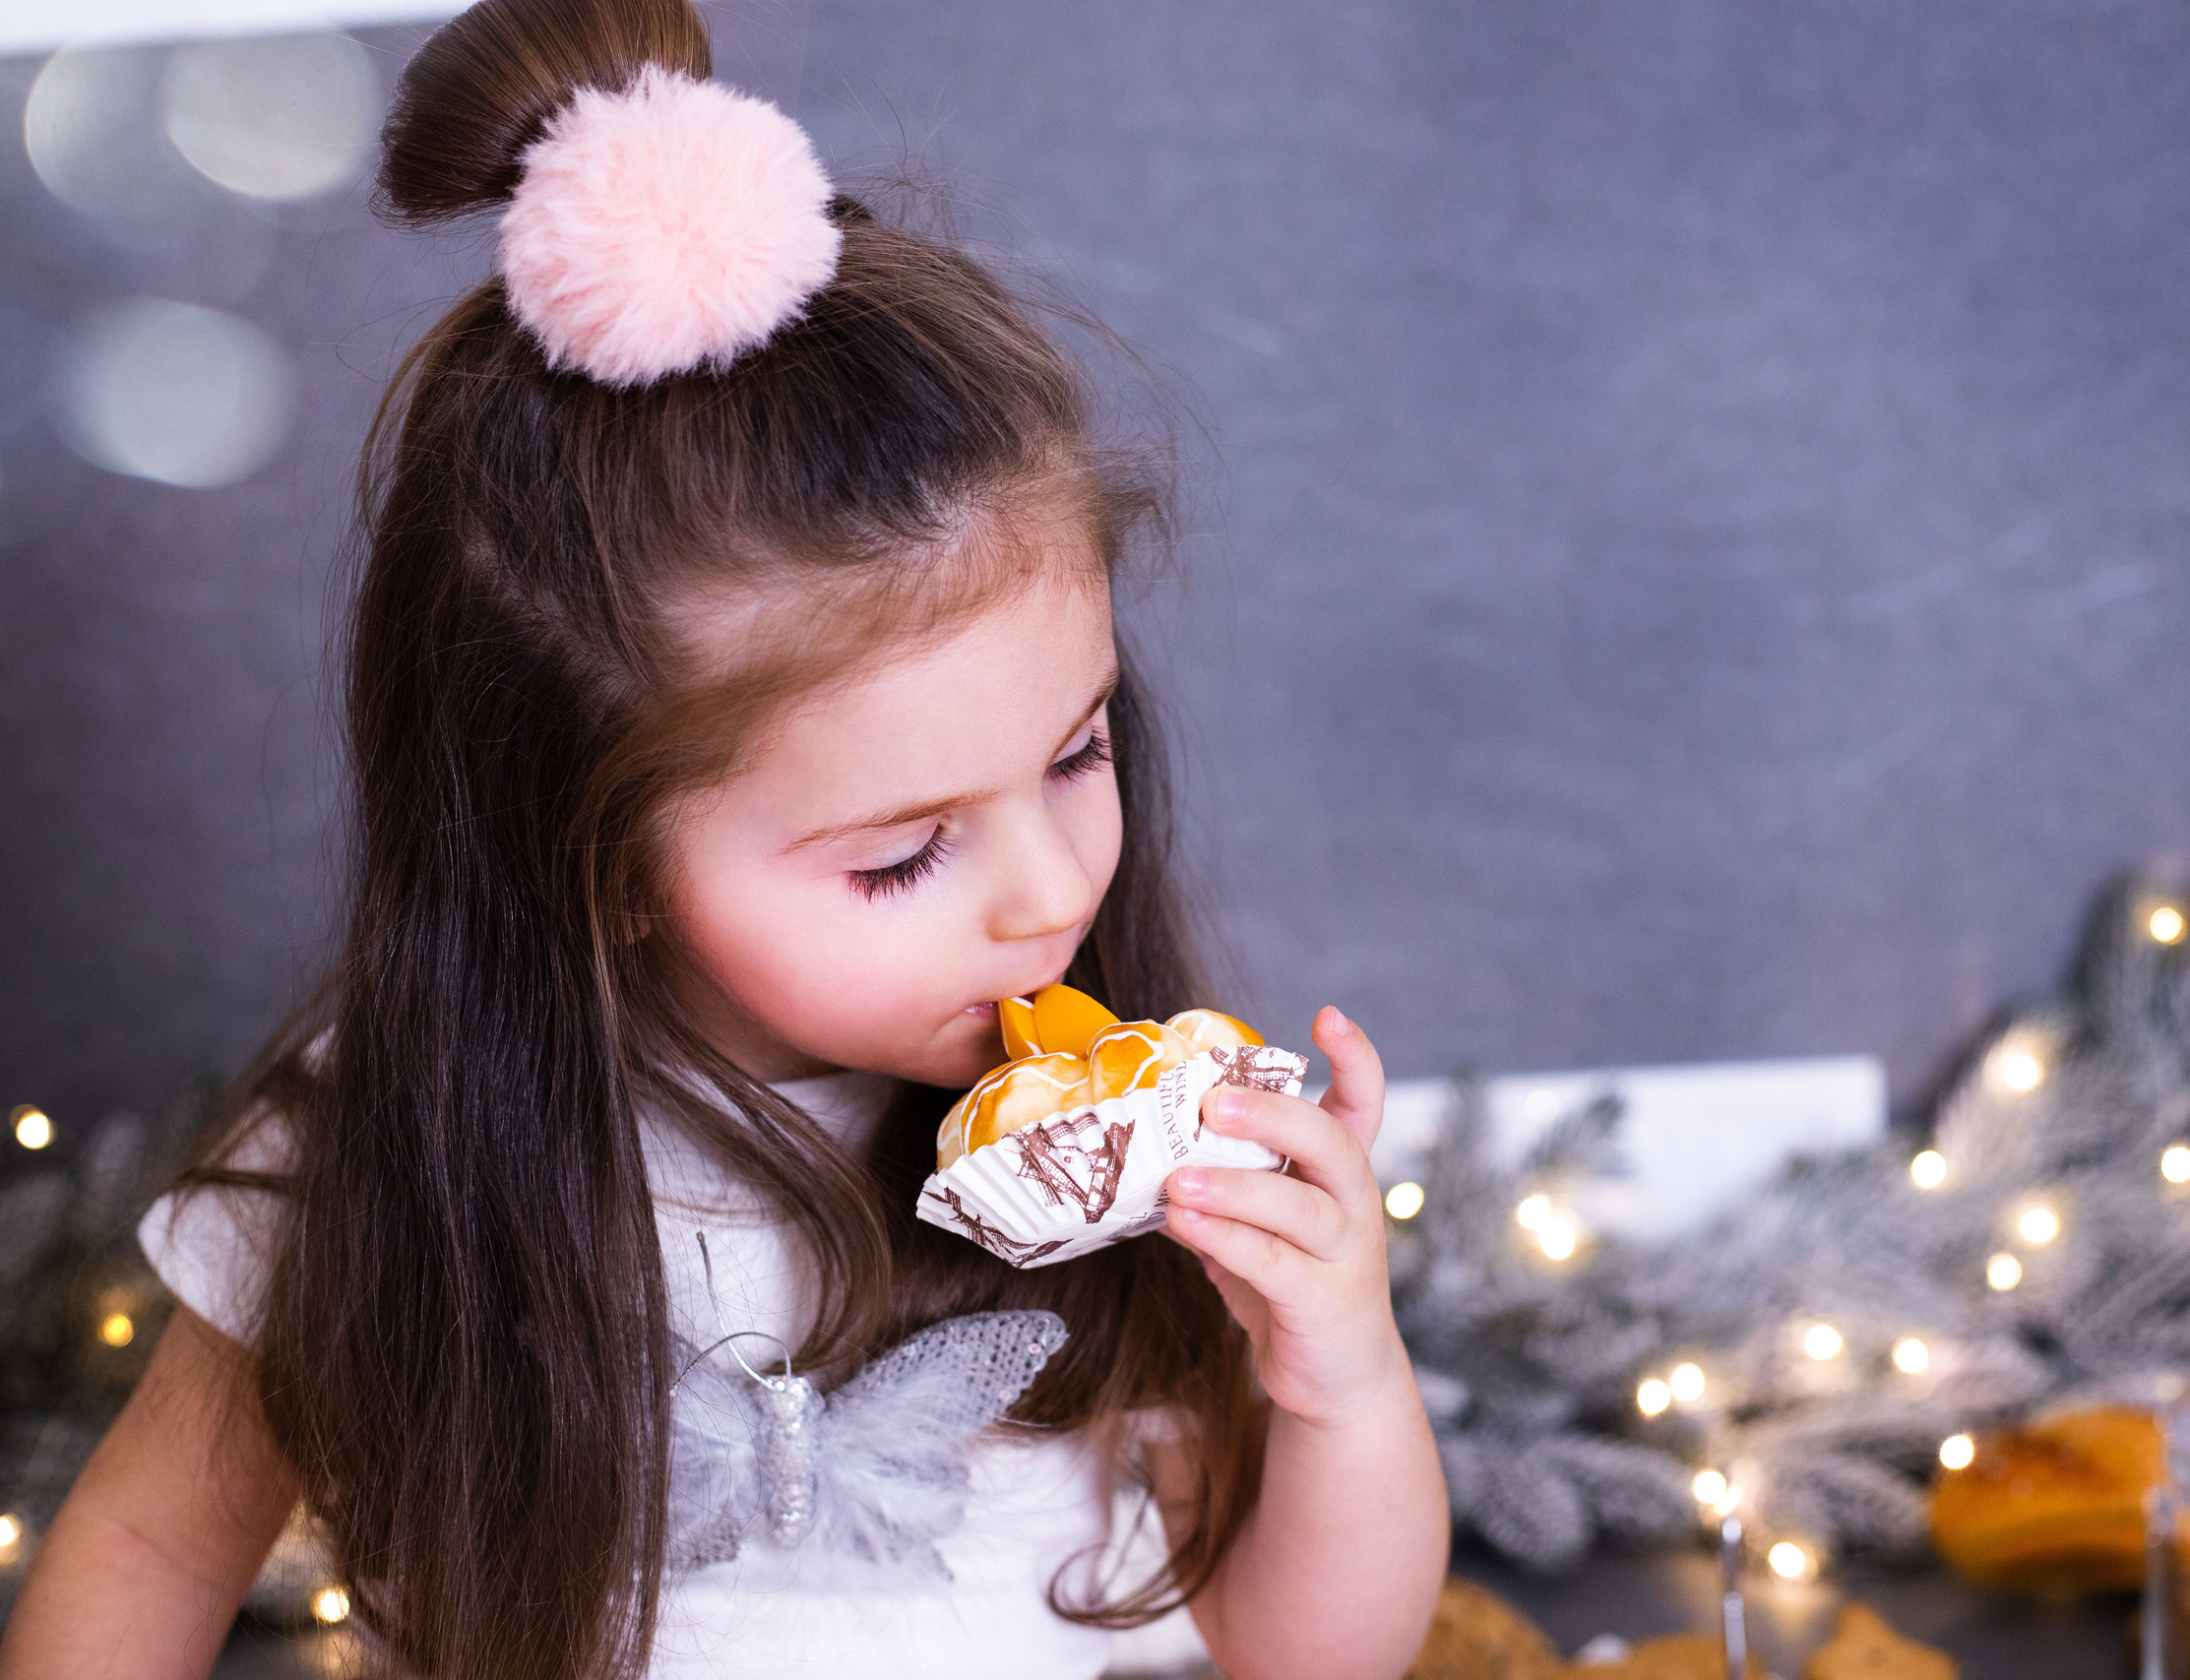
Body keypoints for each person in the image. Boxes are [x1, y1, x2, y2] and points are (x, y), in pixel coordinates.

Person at [0, 1, 1448, 1674]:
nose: (1052, 893)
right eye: (901, 856)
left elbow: (1307, 1652)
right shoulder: (378, 1153)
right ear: (591, 857)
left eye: (1078, 752)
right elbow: (149, 1548)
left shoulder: (1127, 1163)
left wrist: (1338, 1367)